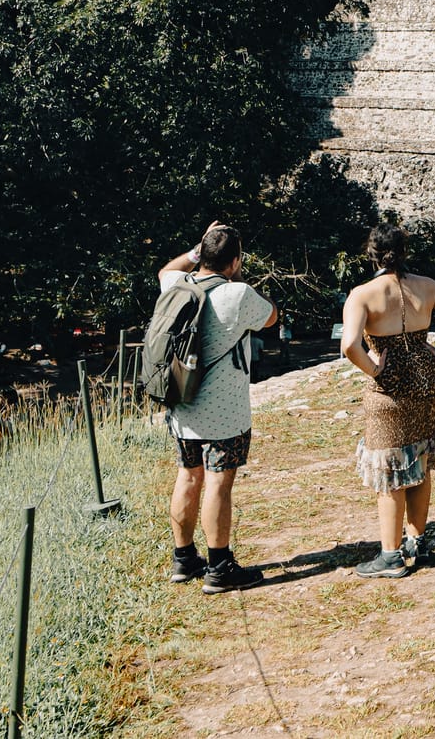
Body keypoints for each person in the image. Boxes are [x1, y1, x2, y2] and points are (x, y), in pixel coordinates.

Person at [341, 222, 435, 578]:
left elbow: (348, 345)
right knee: (420, 460)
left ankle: (390, 556)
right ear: (404, 252)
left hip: (388, 390)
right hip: (425, 383)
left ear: (371, 254)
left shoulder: (362, 294)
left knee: (390, 469)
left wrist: (374, 369)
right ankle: (417, 542)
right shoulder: (427, 286)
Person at [159, 221, 277, 594]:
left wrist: (197, 250)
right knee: (218, 486)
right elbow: (271, 317)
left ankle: (183, 559)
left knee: (187, 476)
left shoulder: (178, 285)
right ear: (236, 260)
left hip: (182, 405)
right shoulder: (238, 294)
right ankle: (220, 567)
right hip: (224, 412)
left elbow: (166, 269)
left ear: (203, 256)